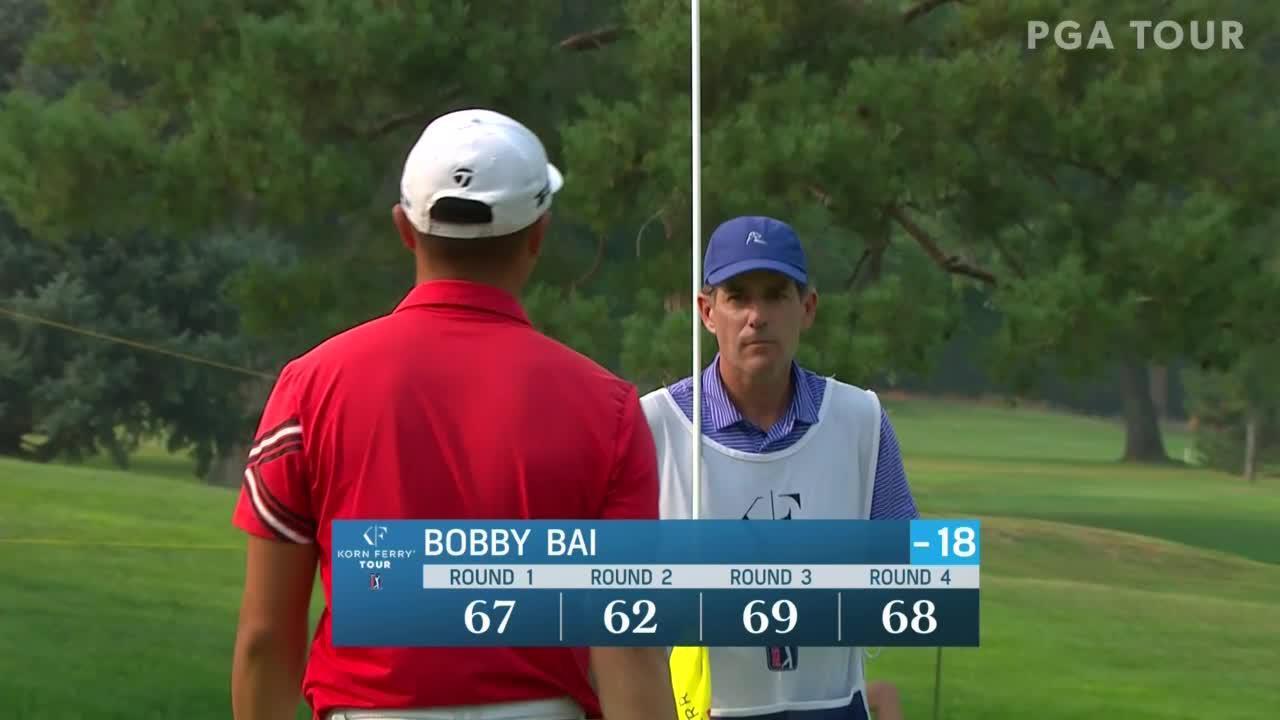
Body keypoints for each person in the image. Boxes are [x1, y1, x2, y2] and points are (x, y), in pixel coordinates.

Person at [230, 108, 674, 720]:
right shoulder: (611, 410)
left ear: (405, 229)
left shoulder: (310, 388)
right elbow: (630, 648)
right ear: (538, 235)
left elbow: (262, 643)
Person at [640, 216, 921, 720]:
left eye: (775, 295)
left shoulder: (860, 419)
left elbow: (906, 572)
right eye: (738, 296)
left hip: (832, 705)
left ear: (807, 308)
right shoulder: (653, 426)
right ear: (707, 311)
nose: (756, 315)